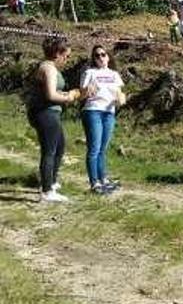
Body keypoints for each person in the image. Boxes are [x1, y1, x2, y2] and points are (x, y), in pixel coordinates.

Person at [25, 37, 85, 203]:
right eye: (66, 56)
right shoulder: (49, 68)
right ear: (57, 53)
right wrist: (70, 97)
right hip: (45, 112)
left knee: (59, 147)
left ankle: (50, 181)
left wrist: (69, 94)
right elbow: (51, 94)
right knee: (50, 151)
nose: (67, 60)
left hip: (49, 112)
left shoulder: (49, 67)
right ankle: (46, 190)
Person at [80, 45, 126, 194]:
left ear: (108, 56)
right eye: (96, 55)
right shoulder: (89, 72)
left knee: (102, 149)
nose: (100, 58)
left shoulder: (114, 74)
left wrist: (121, 99)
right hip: (93, 110)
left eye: (103, 54)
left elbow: (120, 93)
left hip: (109, 112)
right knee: (94, 148)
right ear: (93, 58)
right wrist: (87, 91)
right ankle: (94, 183)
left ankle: (103, 178)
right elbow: (82, 93)